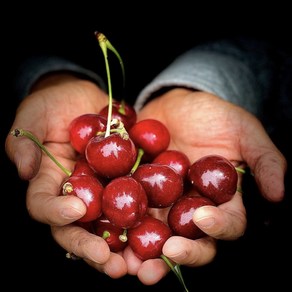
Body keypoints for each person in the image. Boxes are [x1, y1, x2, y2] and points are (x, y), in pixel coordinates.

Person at [4, 27, 289, 290]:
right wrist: (48, 79)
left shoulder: (124, 149)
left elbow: (263, 42)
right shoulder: (97, 149)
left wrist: (204, 84)